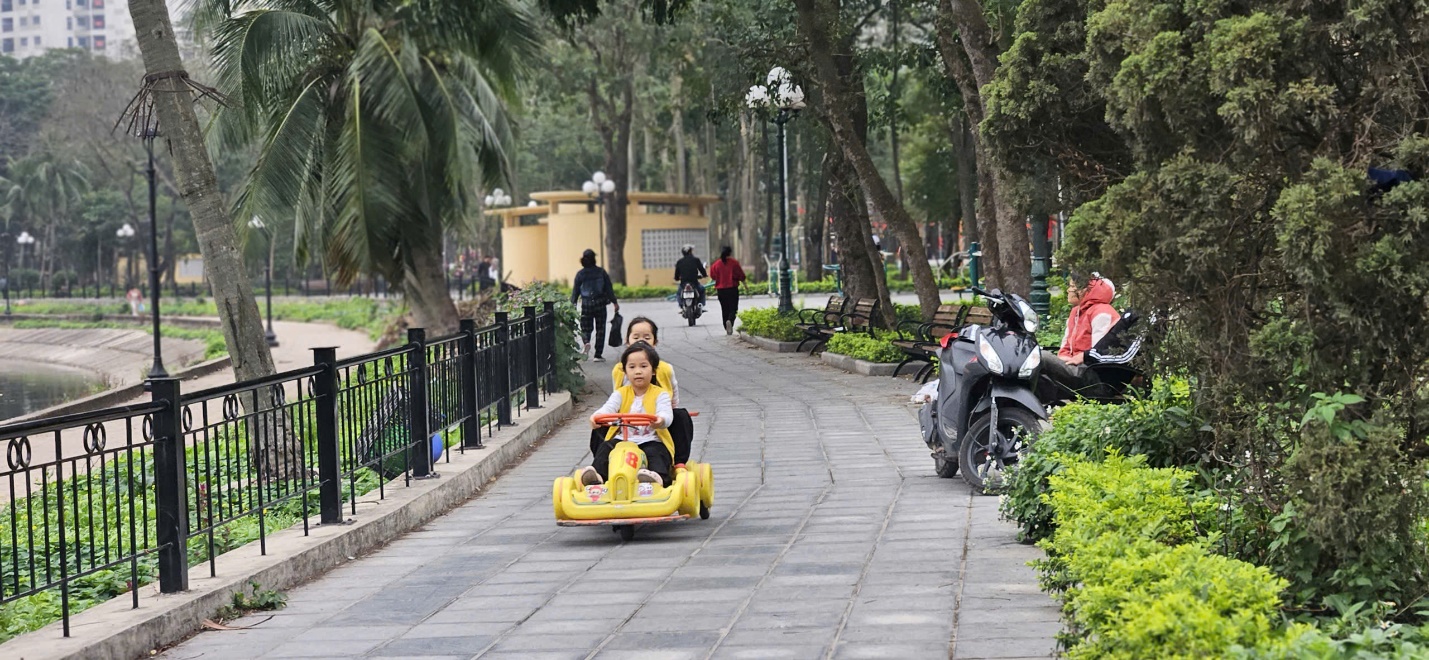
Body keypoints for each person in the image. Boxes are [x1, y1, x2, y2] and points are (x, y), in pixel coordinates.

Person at [590, 317, 693, 466]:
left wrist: (662, 416)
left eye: (647, 337)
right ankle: (598, 469)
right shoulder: (619, 372)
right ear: (628, 340)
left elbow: (674, 397)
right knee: (601, 425)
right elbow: (613, 402)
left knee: (680, 415)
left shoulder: (664, 370)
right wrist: (598, 416)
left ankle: (677, 462)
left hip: (656, 424)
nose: (637, 372)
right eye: (636, 337)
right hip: (626, 425)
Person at [580, 342, 674, 487]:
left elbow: (666, 413)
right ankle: (597, 477)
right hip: (623, 439)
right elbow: (608, 408)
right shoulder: (620, 393)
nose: (638, 371)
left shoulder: (660, 394)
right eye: (632, 367)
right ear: (625, 371)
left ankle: (657, 478)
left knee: (655, 452)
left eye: (643, 366)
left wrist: (660, 419)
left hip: (649, 438)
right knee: (606, 448)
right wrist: (596, 417)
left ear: (653, 370)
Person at [1041, 272, 1120, 390]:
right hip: (1074, 366)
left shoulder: (1102, 313)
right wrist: (1064, 359)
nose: (1068, 290)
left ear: (1085, 290)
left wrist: (1069, 361)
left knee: (1040, 356)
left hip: (1091, 375)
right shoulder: (1076, 312)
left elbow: (1099, 355)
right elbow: (1065, 348)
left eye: (1072, 287)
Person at [571, 249, 619, 362]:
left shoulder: (580, 274)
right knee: (600, 328)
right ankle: (598, 355)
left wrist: (573, 304)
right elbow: (608, 289)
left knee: (585, 327)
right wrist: (614, 302)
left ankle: (586, 342)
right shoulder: (601, 272)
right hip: (600, 303)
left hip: (586, 303)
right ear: (594, 259)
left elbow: (575, 292)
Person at [708, 246, 747, 335]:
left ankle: (726, 326)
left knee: (724, 308)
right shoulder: (734, 263)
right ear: (730, 253)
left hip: (721, 290)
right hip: (732, 289)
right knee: (733, 308)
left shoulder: (716, 264)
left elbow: (713, 276)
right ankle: (730, 321)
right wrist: (745, 284)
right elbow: (740, 275)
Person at [673, 244, 708, 310]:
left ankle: (681, 305)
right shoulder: (696, 260)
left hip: (683, 284)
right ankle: (701, 304)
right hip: (694, 283)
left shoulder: (679, 262)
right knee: (702, 290)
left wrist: (677, 278)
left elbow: (676, 274)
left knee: (678, 293)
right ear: (689, 252)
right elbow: (701, 269)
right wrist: (704, 275)